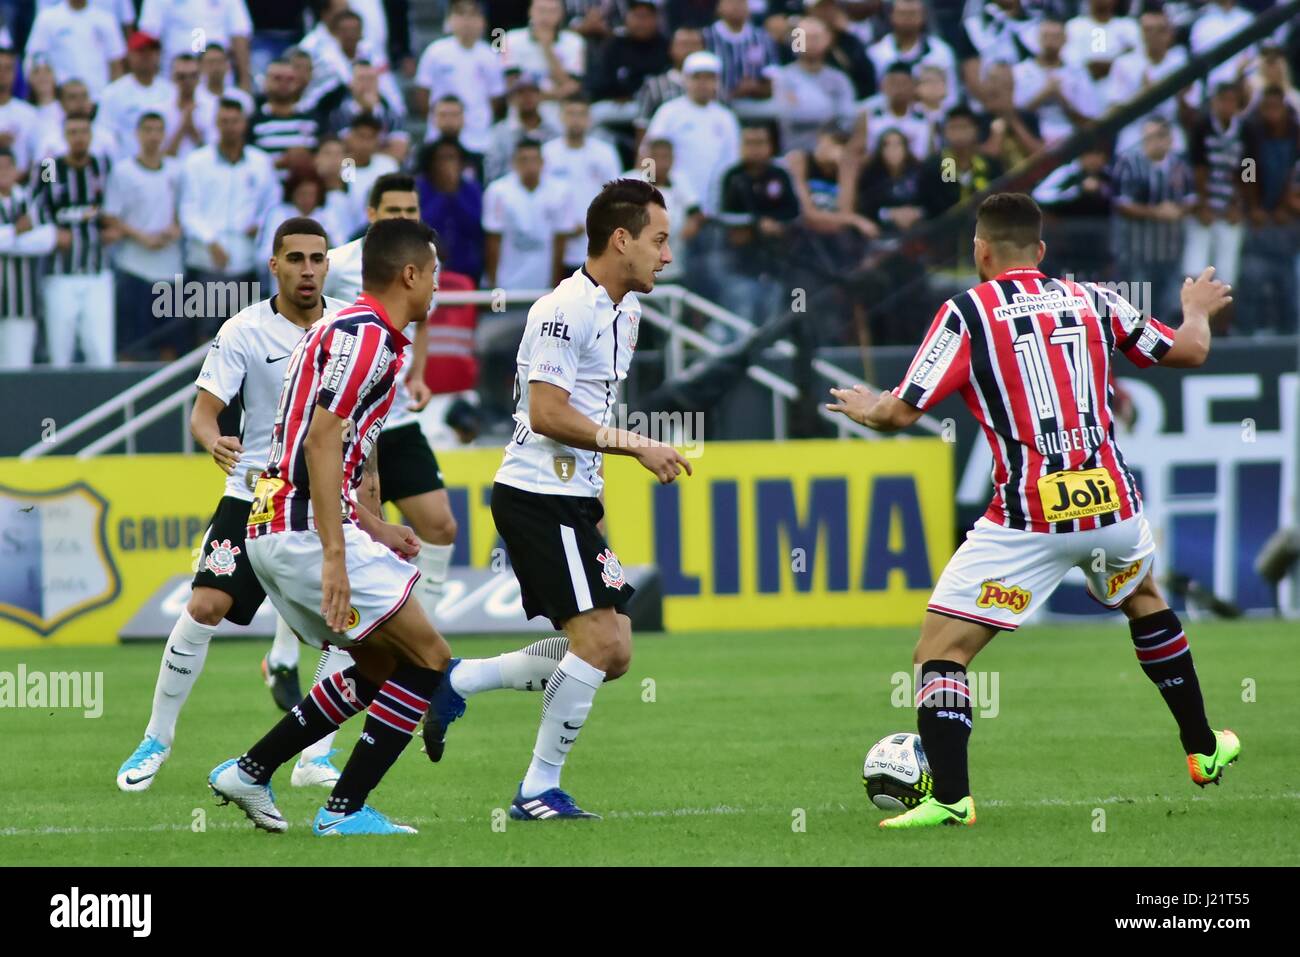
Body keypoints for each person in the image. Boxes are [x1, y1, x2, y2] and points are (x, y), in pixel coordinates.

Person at [825, 192, 1239, 829]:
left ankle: (952, 796)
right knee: (1145, 601)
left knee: (940, 653)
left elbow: (900, 412)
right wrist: (1194, 310)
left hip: (1030, 514)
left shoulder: (966, 312)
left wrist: (864, 408)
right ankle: (1204, 749)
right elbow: (1189, 352)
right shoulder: (1096, 297)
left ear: (980, 252)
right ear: (1041, 252)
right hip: (1111, 502)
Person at [208, 217, 449, 836]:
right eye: (435, 274)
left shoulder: (346, 330)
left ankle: (251, 770)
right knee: (428, 658)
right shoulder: (366, 337)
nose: (439, 288)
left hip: (277, 523)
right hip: (298, 531)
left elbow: (308, 448)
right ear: (410, 274)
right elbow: (318, 442)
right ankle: (342, 813)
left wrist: (373, 524)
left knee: (376, 666)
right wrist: (338, 555)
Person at [117, 217, 351, 793]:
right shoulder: (244, 329)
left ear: (327, 265)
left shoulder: (349, 327)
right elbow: (203, 411)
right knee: (205, 604)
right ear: (274, 265)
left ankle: (315, 758)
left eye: (316, 259)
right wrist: (212, 438)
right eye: (294, 259)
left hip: (320, 498)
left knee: (345, 625)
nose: (306, 269)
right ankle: (156, 738)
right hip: (253, 493)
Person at [484, 178, 691, 819]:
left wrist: (596, 495)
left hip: (573, 495)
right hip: (536, 494)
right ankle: (537, 790)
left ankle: (457, 680)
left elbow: (589, 403)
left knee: (617, 650)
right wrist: (638, 446)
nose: (667, 256)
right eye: (659, 240)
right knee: (599, 644)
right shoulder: (562, 308)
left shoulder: (625, 310)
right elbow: (546, 412)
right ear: (620, 239)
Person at [322, 173, 458, 630]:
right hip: (348, 423)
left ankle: (427, 635)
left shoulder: (426, 258)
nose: (404, 218)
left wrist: (418, 375)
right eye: (394, 210)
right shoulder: (338, 263)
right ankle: (295, 655)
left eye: (411, 211)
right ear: (372, 215)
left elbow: (421, 323)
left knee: (440, 525)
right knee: (358, 537)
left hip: (395, 416)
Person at [177, 98, 278, 338]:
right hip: (207, 261)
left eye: (235, 121)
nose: (230, 126)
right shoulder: (196, 162)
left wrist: (260, 225)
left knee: (245, 334)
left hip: (246, 260)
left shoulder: (260, 162)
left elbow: (272, 203)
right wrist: (210, 241)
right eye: (224, 121)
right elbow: (188, 209)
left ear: (244, 124)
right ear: (216, 123)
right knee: (206, 333)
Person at [31, 112, 118, 367]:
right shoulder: (50, 168)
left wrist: (114, 228)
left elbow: (116, 206)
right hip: (60, 273)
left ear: (91, 136)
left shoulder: (103, 166)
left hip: (98, 272)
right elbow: (35, 207)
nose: (79, 138)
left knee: (101, 352)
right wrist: (51, 233)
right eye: (73, 133)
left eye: (83, 132)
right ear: (64, 136)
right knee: (60, 353)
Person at [102, 111, 182, 360]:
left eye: (158, 130)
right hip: (133, 267)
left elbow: (185, 210)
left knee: (170, 342)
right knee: (130, 342)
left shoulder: (176, 170)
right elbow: (111, 215)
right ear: (137, 134)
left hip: (169, 269)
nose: (153, 136)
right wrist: (142, 237)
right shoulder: (123, 172)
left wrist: (175, 229)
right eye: (147, 130)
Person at [542, 95, 622, 273]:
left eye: (581, 114)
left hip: (594, 244)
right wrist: (565, 224)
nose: (576, 120)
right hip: (555, 244)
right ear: (561, 117)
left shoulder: (605, 153)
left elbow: (614, 198)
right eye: (571, 113)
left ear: (589, 119)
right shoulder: (547, 153)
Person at [0, 147, 56, 368]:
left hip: (21, 303)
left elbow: (47, 239)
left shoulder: (29, 201)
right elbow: (29, 234)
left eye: (6, 167)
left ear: (16, 170)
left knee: (18, 366)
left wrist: (8, 240)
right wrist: (16, 231)